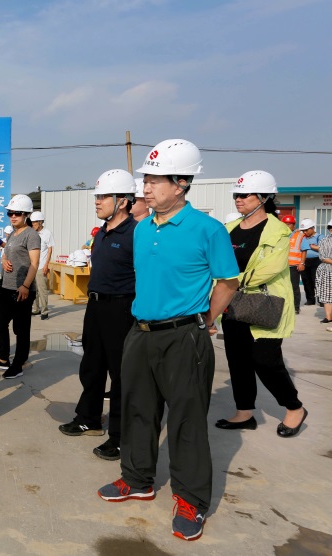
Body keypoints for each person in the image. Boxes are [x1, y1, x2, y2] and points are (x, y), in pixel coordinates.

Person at [97, 139, 239, 542]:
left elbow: (228, 281)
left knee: (186, 419)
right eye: (145, 179)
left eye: (155, 180)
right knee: (137, 410)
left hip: (183, 337)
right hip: (140, 332)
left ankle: (191, 499)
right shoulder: (142, 229)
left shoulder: (208, 229)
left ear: (181, 183)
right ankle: (137, 478)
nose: (146, 186)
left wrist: (205, 320)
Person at [215, 171, 307, 439]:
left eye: (244, 195)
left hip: (264, 303)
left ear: (264, 197)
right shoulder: (229, 229)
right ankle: (244, 412)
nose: (238, 199)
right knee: (238, 360)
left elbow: (270, 268)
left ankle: (294, 408)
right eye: (236, 194)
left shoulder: (278, 231)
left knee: (265, 361)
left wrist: (229, 280)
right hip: (233, 303)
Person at [58, 170, 137, 462]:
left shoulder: (136, 233)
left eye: (103, 196)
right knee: (91, 366)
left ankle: (120, 437)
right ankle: (89, 419)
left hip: (122, 309)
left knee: (120, 375)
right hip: (95, 307)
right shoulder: (102, 232)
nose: (97, 201)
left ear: (123, 201)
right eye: (97, 196)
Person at [0, 194, 40, 379]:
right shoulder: (12, 234)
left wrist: (25, 285)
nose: (13, 216)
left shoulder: (31, 235)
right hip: (6, 287)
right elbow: (4, 253)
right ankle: (3, 358)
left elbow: (35, 263)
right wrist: (3, 260)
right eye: (10, 213)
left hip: (22, 289)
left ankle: (19, 363)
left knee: (21, 328)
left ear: (26, 215)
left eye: (17, 213)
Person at [30, 211, 55, 320]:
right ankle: (36, 309)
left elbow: (50, 250)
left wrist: (46, 265)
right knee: (33, 290)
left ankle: (45, 311)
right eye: (32, 222)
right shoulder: (32, 233)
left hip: (41, 266)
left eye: (34, 222)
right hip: (32, 266)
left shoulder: (47, 233)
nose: (33, 224)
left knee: (42, 290)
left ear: (40, 222)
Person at [282, 215, 302, 314]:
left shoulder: (299, 235)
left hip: (294, 266)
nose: (287, 226)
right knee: (282, 287)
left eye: (289, 224)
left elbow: (304, 250)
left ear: (294, 225)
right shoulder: (279, 235)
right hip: (282, 266)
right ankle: (285, 306)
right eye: (285, 224)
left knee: (294, 287)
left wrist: (302, 263)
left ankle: (296, 307)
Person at [298, 219, 320, 306]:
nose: (305, 232)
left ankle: (322, 300)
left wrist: (312, 247)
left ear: (312, 228)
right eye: (303, 230)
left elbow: (324, 248)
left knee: (317, 281)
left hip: (316, 261)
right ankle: (310, 300)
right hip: (304, 261)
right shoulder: (301, 237)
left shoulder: (319, 237)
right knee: (306, 281)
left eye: (306, 230)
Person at [316, 219, 332, 323]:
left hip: (326, 268)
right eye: (330, 228)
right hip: (327, 270)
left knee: (328, 294)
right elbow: (322, 257)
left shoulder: (323, 241)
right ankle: (328, 317)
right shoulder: (323, 241)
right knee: (327, 294)